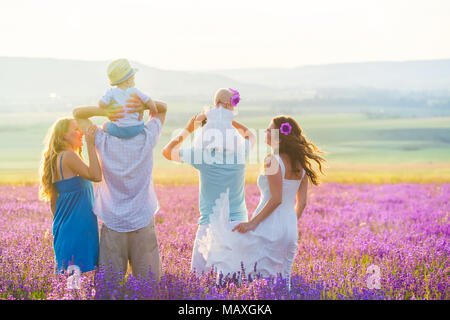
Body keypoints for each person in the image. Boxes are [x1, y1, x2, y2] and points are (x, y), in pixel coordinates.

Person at [205, 115, 326, 285]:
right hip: (290, 229)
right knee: (283, 279)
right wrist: (290, 221)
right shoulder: (301, 164)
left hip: (268, 226)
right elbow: (302, 203)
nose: (266, 131)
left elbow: (276, 199)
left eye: (269, 129)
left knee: (247, 268)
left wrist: (252, 223)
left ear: (279, 137)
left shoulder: (272, 161)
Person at [72, 95, 167, 282]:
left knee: (110, 286)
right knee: (149, 284)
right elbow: (162, 109)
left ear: (114, 118)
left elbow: (78, 114)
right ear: (140, 118)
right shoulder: (148, 136)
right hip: (142, 219)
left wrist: (105, 111)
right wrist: (143, 103)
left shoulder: (102, 139)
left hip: (113, 222)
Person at [162, 88, 256, 274]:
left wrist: (189, 129)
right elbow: (250, 135)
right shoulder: (241, 153)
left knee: (200, 282)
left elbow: (167, 151)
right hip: (238, 226)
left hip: (208, 227)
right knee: (238, 284)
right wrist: (229, 120)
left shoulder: (202, 156)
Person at [39, 118, 101, 273]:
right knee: (77, 285)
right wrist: (90, 144)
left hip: (66, 230)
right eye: (76, 129)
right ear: (64, 135)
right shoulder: (68, 156)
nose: (80, 133)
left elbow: (54, 203)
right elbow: (96, 175)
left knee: (72, 285)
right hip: (78, 231)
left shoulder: (57, 158)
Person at [99, 58, 158, 139]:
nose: (134, 81)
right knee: (140, 120)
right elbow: (148, 100)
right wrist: (153, 110)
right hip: (137, 128)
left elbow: (101, 104)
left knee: (105, 125)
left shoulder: (111, 92)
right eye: (133, 78)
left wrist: (107, 106)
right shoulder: (135, 91)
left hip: (120, 129)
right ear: (127, 81)